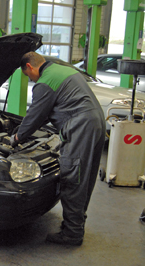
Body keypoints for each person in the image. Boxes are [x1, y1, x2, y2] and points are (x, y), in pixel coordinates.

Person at [10, 51, 105, 246]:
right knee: (84, 179)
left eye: (28, 76)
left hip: (80, 127)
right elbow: (50, 110)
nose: (30, 80)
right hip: (96, 123)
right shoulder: (63, 70)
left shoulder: (45, 82)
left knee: (72, 178)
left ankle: (72, 234)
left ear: (29, 67)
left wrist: (17, 137)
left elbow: (35, 115)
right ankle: (75, 225)